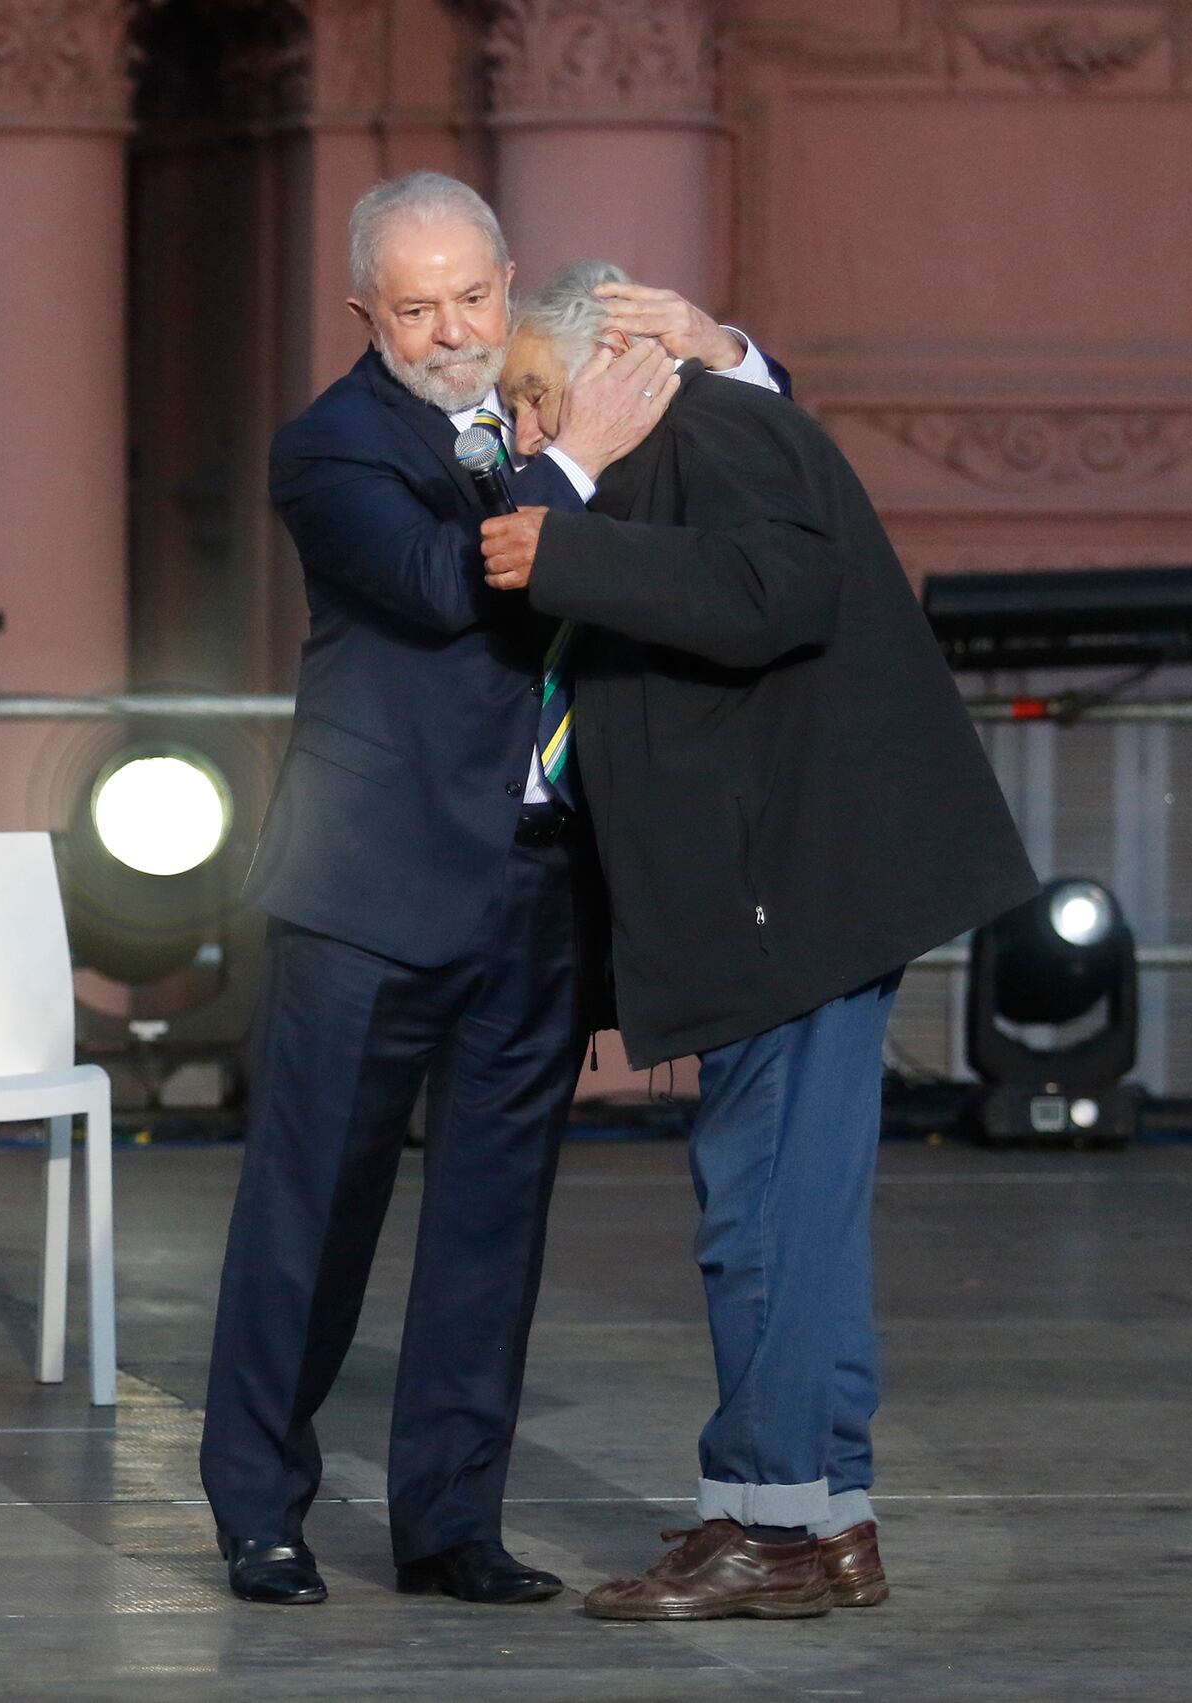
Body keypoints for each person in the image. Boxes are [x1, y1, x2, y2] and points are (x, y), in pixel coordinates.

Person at [200, 171, 790, 1607]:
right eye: (415, 307)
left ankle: (448, 1521)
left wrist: (724, 354)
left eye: (471, 295)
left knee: (490, 1222)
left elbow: (744, 460)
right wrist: (573, 464)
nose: (451, 330)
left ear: (508, 279)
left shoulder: (545, 401)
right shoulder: (328, 448)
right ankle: (260, 1511)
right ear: (365, 312)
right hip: (367, 894)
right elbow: (452, 581)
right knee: (311, 1213)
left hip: (535, 891)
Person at [481, 262, 1038, 1619]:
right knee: (798, 1216)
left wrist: (565, 547)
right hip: (794, 887)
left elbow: (773, 589)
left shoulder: (713, 429)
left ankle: (767, 1519)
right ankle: (822, 1513)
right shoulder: (724, 421)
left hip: (788, 892)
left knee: (764, 1222)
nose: (517, 436)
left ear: (604, 367)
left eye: (527, 399)